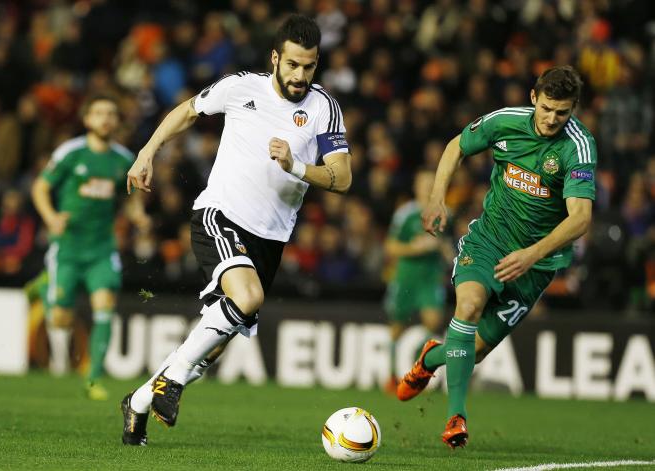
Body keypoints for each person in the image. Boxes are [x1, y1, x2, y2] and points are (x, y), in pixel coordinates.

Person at [121, 14, 352, 446]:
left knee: (218, 339)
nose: (301, 75)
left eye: (310, 66)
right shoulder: (241, 87)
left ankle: (138, 400)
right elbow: (188, 111)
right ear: (275, 58)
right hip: (220, 215)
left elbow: (343, 178)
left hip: (271, 238)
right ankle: (170, 382)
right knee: (247, 298)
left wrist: (297, 166)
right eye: (293, 65)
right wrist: (147, 151)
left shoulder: (324, 108)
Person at [396, 66, 596, 449]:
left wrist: (532, 254)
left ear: (574, 110)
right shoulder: (506, 121)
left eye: (563, 112)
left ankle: (431, 360)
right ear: (534, 97)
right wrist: (437, 195)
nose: (553, 119)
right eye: (548, 108)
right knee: (468, 306)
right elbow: (457, 145)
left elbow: (581, 218)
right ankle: (456, 417)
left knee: (474, 350)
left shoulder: (578, 146)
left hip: (536, 265)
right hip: (489, 240)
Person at [31, 95, 147, 400]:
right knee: (59, 321)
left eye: (111, 113)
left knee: (105, 308)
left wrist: (139, 216)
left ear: (117, 121)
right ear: (87, 120)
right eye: (98, 113)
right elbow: (40, 188)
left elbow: (131, 197)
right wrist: (51, 217)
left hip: (101, 248)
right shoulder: (71, 153)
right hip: (68, 247)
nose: (105, 118)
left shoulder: (123, 159)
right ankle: (45, 288)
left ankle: (93, 378)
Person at [383, 168, 454, 393]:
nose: (426, 187)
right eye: (423, 183)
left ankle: (419, 368)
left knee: (433, 322)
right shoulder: (405, 214)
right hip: (406, 276)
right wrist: (414, 248)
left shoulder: (446, 213)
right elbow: (391, 246)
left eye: (430, 183)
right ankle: (392, 375)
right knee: (397, 325)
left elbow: (451, 249)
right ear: (416, 187)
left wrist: (441, 247)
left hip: (430, 277)